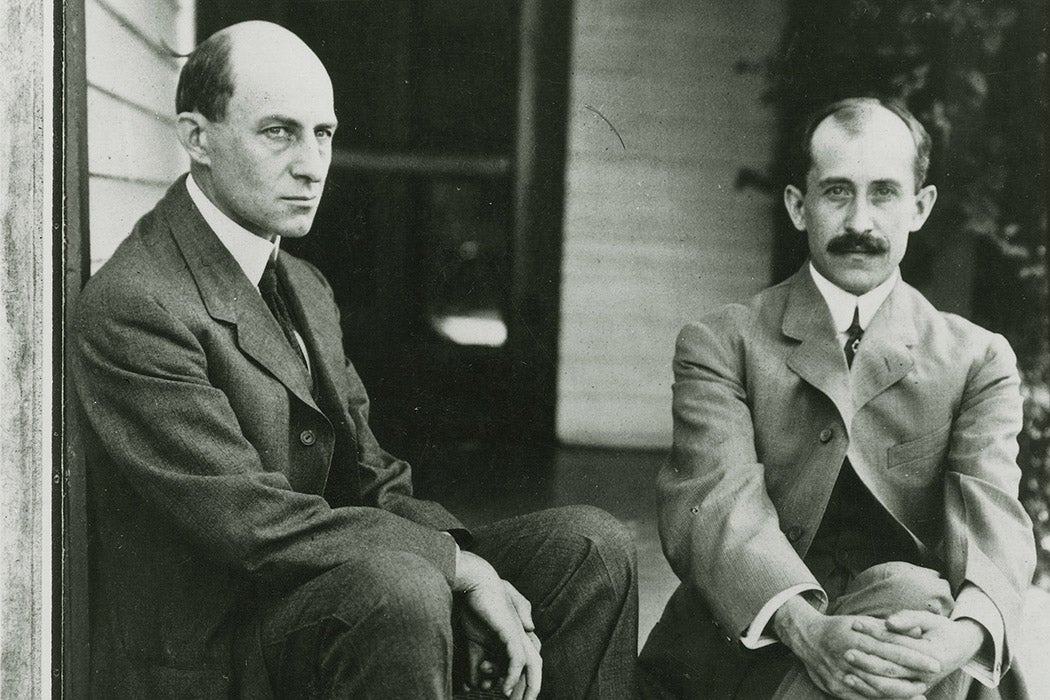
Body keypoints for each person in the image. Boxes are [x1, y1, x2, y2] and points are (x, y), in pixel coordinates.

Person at [71, 21, 637, 699]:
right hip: (216, 650)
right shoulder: (138, 303)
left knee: (590, 551)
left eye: (324, 134)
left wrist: (474, 566)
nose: (312, 164)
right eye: (278, 132)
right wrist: (458, 568)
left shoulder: (304, 284)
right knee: (396, 589)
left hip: (321, 594)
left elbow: (374, 480)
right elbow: (253, 526)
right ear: (197, 138)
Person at [638, 97, 1035, 699]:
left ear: (920, 207)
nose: (860, 223)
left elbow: (995, 524)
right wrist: (807, 630)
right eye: (837, 193)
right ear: (799, 207)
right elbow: (716, 508)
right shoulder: (722, 341)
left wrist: (957, 640)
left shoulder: (976, 359)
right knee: (911, 609)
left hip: (917, 647)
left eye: (883, 193)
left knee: (915, 599)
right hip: (749, 640)